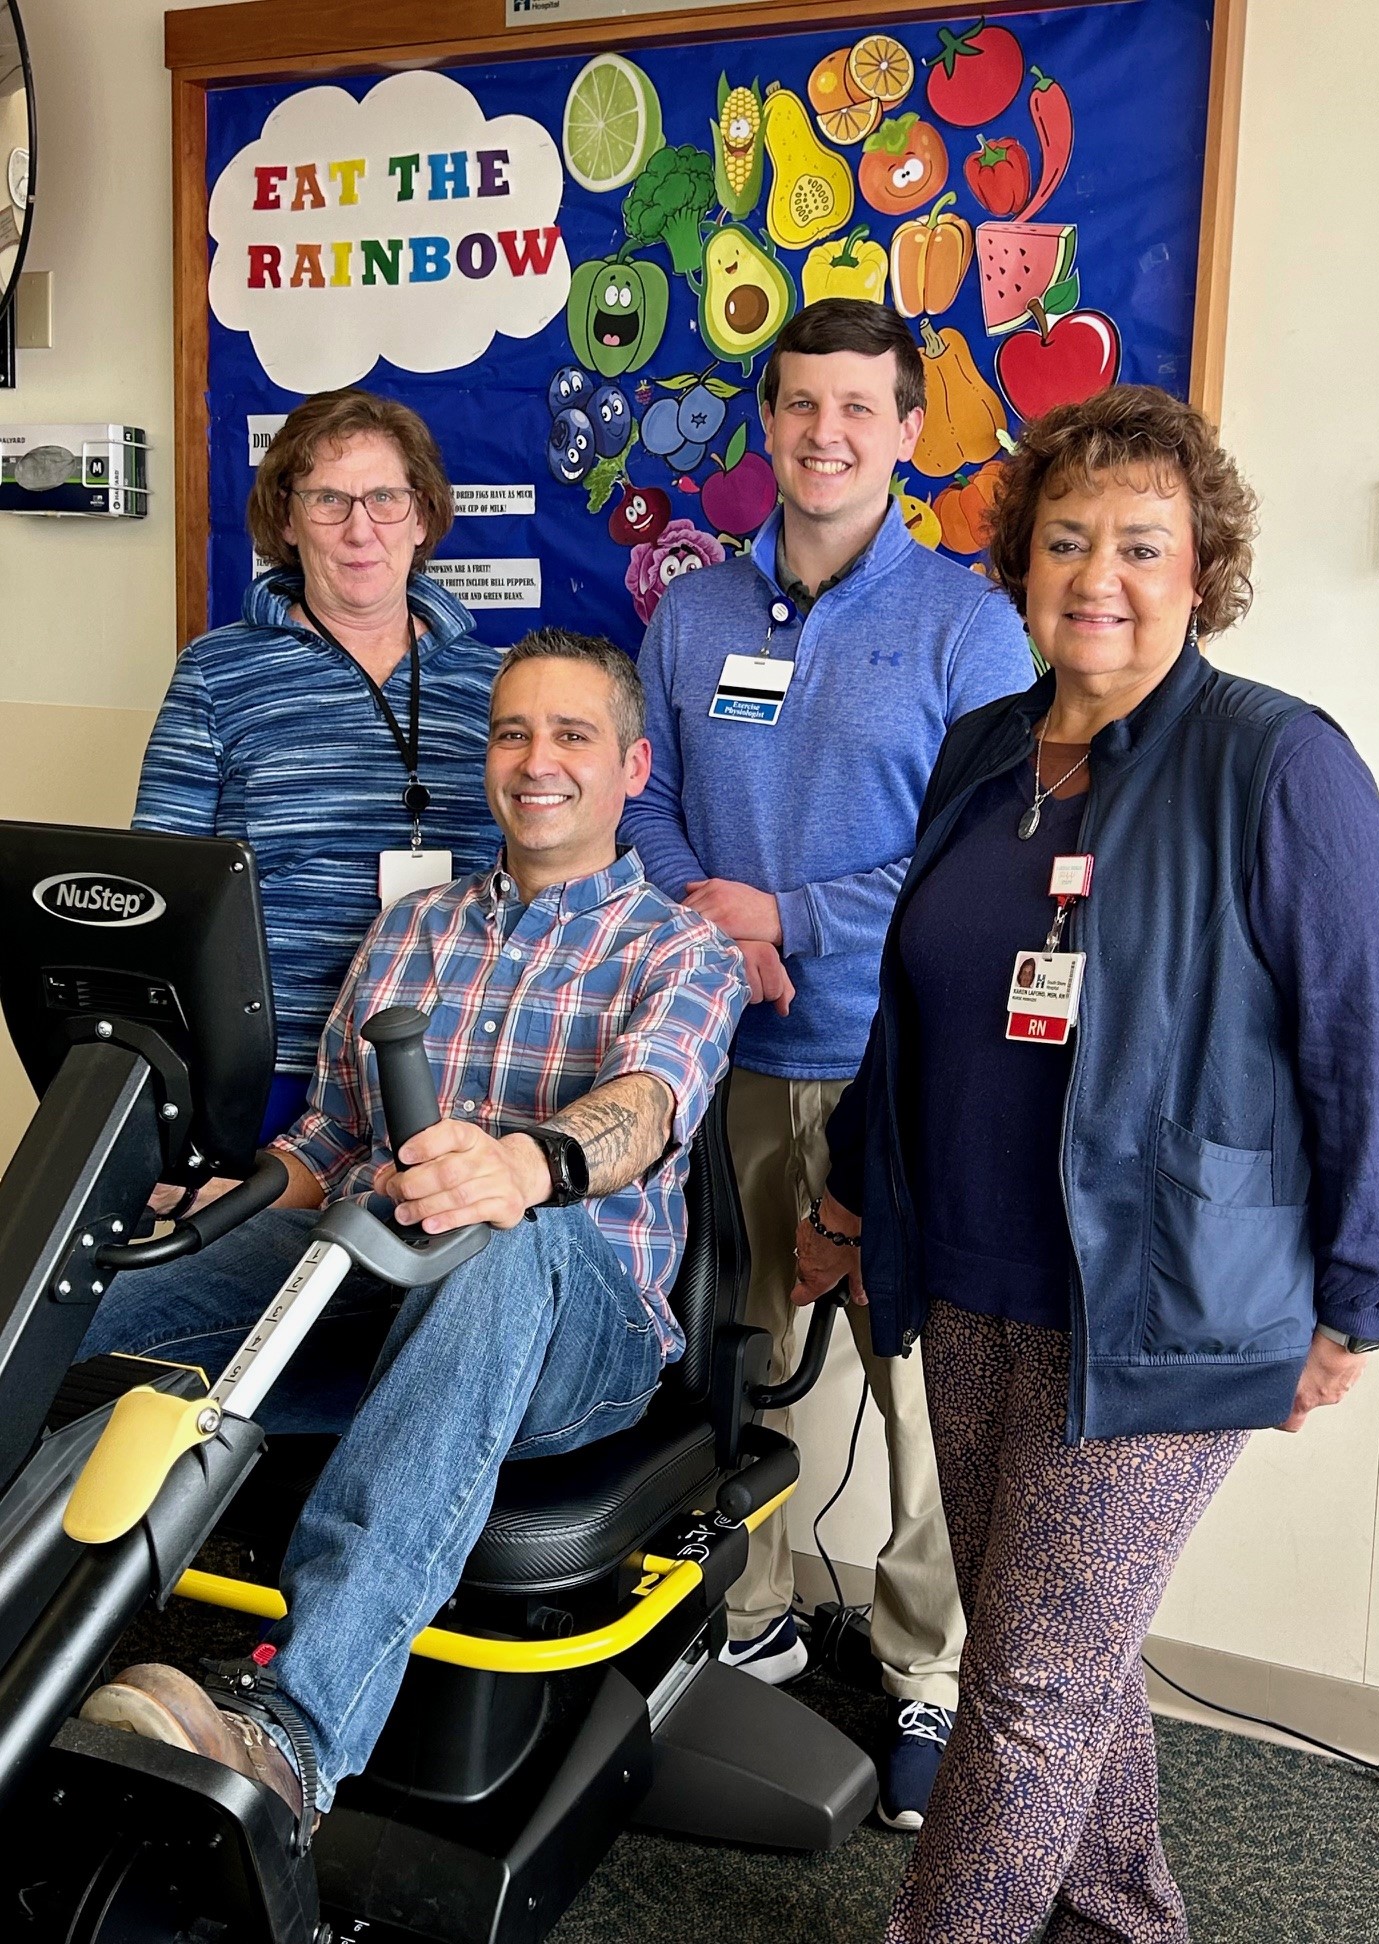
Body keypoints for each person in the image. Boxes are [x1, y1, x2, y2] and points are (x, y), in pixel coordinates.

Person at [795, 385, 1379, 1943]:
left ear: (1202, 569)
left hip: (1168, 1301)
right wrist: (850, 1195)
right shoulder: (981, 753)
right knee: (1063, 1657)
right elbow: (916, 1006)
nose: (1101, 576)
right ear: (1020, 564)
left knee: (1025, 1680)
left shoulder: (1276, 762)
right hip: (972, 1276)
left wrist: (1359, 1299)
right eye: (1067, 540)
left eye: (1143, 545)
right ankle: (1120, 1923)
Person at [77, 629, 747, 1825]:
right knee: (89, 1293)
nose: (536, 761)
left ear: (632, 767)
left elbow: (647, 1108)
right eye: (512, 733)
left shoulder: (681, 949)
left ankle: (291, 1734)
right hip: (377, 1290)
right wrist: (214, 1211)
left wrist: (526, 1163)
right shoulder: (413, 928)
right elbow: (328, 1142)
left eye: (572, 735)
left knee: (499, 1234)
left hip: (574, 1340)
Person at [624, 297, 1035, 1828]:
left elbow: (987, 850)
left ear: (909, 429)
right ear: (767, 419)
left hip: (898, 1070)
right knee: (734, 1356)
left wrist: (787, 914)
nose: (827, 433)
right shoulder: (692, 614)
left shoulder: (968, 626)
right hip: (718, 1055)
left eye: (861, 407)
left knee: (918, 1383)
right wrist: (708, 916)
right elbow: (643, 800)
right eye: (802, 403)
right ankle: (755, 1618)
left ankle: (934, 1672)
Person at [134, 388, 503, 1140]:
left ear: (422, 517)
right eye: (329, 500)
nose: (360, 528)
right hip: (266, 1063)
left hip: (455, 1059)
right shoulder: (215, 672)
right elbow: (160, 883)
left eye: (385, 498)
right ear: (287, 520)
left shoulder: (495, 683)